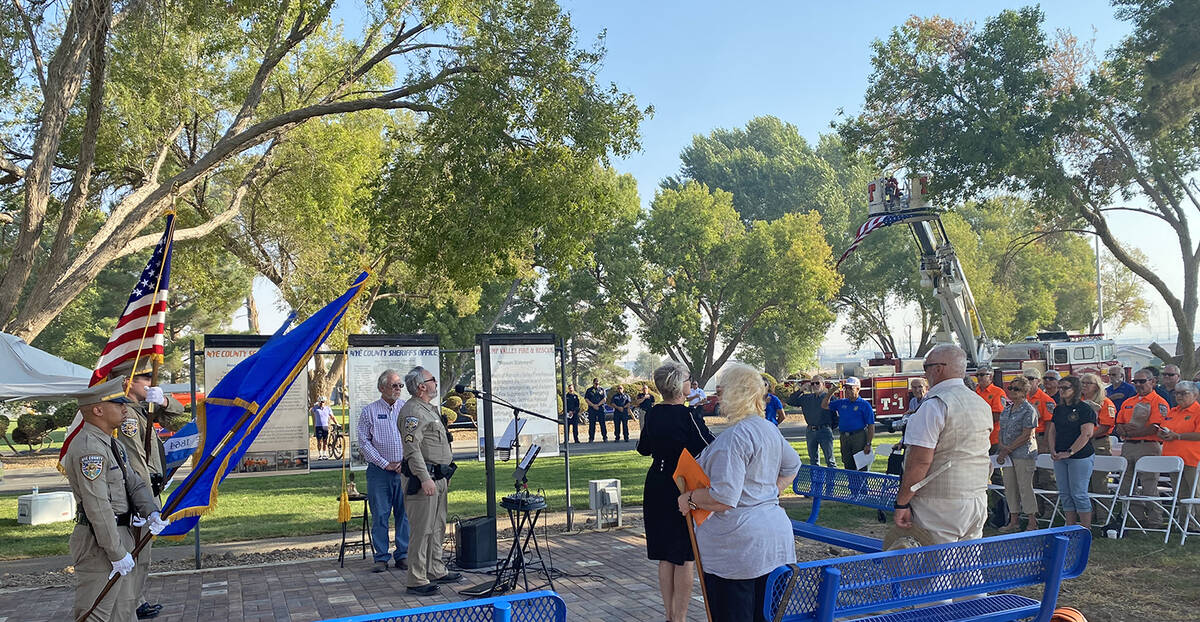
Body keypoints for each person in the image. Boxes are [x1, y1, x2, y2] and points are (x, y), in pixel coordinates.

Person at [677, 364, 801, 622]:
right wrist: (767, 493)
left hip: (737, 549)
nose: (719, 396)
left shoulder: (734, 438)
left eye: (722, 390)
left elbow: (724, 498)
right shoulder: (768, 428)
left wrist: (688, 499)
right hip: (772, 538)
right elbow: (792, 466)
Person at [66, 377, 169, 622]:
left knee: (124, 611)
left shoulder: (112, 443)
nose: (125, 409)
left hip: (120, 534)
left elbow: (133, 482)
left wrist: (151, 511)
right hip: (99, 541)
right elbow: (97, 505)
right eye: (117, 404)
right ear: (98, 410)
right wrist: (115, 552)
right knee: (97, 613)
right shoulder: (90, 448)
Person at [636, 361, 716, 622]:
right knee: (683, 555)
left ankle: (670, 614)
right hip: (680, 484)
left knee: (664, 555)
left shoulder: (653, 414)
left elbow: (644, 448)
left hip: (656, 483)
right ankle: (679, 617)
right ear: (678, 384)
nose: (689, 384)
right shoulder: (688, 416)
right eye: (687, 380)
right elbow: (708, 446)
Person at [893, 344, 992, 544]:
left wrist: (901, 503)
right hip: (976, 498)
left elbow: (919, 462)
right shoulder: (981, 403)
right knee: (969, 568)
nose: (924, 372)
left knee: (935, 569)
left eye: (925, 366)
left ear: (938, 369)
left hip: (939, 504)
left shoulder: (934, 405)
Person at [112, 360, 182, 621]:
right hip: (138, 494)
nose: (151, 383)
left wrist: (163, 402)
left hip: (147, 491)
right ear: (128, 382)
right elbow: (135, 460)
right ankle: (131, 603)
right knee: (136, 553)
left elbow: (179, 414)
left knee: (143, 554)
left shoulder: (142, 408)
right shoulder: (127, 415)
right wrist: (144, 502)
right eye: (145, 379)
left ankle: (136, 600)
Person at [399, 366, 460, 594]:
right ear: (422, 386)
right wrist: (424, 478)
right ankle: (416, 579)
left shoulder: (430, 409)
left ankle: (435, 568)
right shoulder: (412, 412)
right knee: (422, 530)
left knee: (437, 527)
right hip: (424, 480)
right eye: (432, 379)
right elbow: (412, 449)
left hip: (440, 477)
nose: (436, 383)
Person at [356, 369, 410, 573]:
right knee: (380, 514)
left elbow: (413, 437)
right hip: (379, 472)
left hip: (404, 470)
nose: (398, 389)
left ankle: (403, 554)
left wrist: (405, 461)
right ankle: (381, 557)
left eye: (400, 385)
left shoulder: (406, 408)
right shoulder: (369, 411)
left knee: (404, 514)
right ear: (381, 388)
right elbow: (363, 442)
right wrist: (384, 463)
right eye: (394, 385)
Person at [1111, 367, 1171, 530]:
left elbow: (1154, 427)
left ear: (1152, 382)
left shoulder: (1158, 402)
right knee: (1126, 484)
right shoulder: (1129, 401)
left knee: (1149, 485)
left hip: (1148, 446)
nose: (1138, 384)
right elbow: (1119, 422)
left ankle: (1155, 520)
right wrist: (1122, 429)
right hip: (1128, 446)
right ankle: (1136, 517)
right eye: (1135, 381)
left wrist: (1133, 432)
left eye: (1142, 381)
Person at [1047, 376, 1097, 527]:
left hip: (1080, 456)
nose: (1061, 390)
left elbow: (1086, 434)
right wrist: (1053, 450)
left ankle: (1084, 529)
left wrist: (1070, 452)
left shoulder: (1085, 409)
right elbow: (1052, 431)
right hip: (1060, 456)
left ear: (1074, 389)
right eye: (1059, 387)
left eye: (1065, 388)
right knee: (1065, 493)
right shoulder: (1059, 409)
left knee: (1079, 493)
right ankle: (1070, 527)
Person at [995, 377, 1039, 532]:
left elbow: (1027, 434)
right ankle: (1013, 521)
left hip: (1023, 454)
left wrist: (1007, 449)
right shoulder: (1007, 409)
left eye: (1017, 389)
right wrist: (1002, 447)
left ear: (1024, 392)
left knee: (1025, 487)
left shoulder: (1029, 410)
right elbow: (1002, 430)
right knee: (1010, 487)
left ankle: (1032, 522)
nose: (1012, 391)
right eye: (1011, 388)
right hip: (1008, 454)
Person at [1158, 381, 1200, 525]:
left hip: (1193, 460)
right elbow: (1163, 428)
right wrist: (1162, 434)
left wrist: (1179, 436)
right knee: (1180, 493)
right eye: (1177, 393)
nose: (1179, 396)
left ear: (1195, 395)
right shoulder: (1173, 411)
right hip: (1174, 461)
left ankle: (1198, 523)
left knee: (1196, 493)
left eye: (1184, 393)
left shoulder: (1198, 411)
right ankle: (1185, 524)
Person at [821, 377, 875, 471]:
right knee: (848, 464)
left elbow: (871, 426)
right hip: (844, 437)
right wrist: (830, 392)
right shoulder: (842, 402)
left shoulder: (864, 405)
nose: (848, 391)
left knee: (861, 465)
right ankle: (852, 485)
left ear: (858, 389)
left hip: (859, 436)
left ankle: (861, 485)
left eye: (851, 388)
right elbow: (824, 405)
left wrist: (868, 443)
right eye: (846, 388)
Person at [1080, 373, 1117, 494]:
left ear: (1096, 386)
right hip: (1080, 444)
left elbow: (1105, 426)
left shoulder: (1105, 403)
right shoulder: (1077, 402)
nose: (1084, 385)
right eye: (1082, 383)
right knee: (1084, 483)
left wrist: (1087, 435)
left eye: (1088, 383)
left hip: (1098, 443)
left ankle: (1103, 512)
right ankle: (1089, 512)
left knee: (1099, 482)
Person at [796, 377, 836, 467]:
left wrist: (829, 427)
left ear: (823, 384)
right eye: (812, 384)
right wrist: (801, 390)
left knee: (830, 460)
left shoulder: (829, 398)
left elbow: (836, 416)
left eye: (817, 383)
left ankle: (830, 481)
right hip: (811, 431)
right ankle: (816, 481)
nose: (815, 386)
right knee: (813, 461)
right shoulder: (806, 398)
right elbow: (791, 401)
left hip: (825, 430)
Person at [974, 367, 1006, 453]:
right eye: (977, 375)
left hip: (993, 437)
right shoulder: (974, 391)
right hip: (977, 437)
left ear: (991, 376)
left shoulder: (998, 392)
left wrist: (978, 420)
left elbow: (997, 416)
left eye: (982, 375)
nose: (979, 377)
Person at [585, 378, 608, 443]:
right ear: (593, 383)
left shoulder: (602, 390)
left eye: (598, 383)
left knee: (602, 424)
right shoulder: (589, 390)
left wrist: (598, 405)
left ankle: (605, 437)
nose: (597, 384)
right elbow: (586, 399)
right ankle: (591, 438)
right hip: (592, 409)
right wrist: (593, 405)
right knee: (592, 424)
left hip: (600, 408)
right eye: (596, 383)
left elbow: (604, 399)